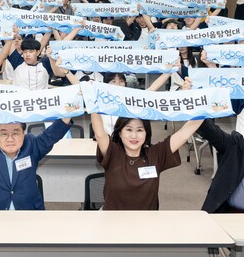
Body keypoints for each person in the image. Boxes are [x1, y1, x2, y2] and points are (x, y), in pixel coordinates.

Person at [84, 74, 203, 210]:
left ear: (146, 134)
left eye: (140, 130)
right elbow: (99, 133)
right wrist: (92, 98)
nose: (134, 136)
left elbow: (183, 134)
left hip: (148, 224)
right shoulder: (113, 152)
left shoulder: (155, 154)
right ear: (120, 132)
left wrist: (198, 99)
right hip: (113, 223)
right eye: (129, 129)